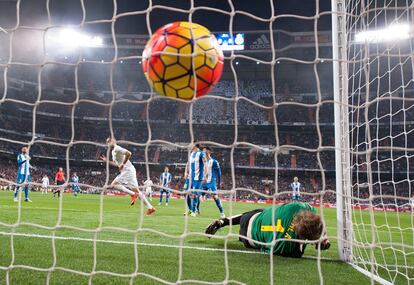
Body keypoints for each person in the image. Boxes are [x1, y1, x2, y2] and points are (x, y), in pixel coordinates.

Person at [205, 202, 330, 258]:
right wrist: (319, 240)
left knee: (263, 212)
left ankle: (223, 221)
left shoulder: (300, 207)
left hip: (250, 218)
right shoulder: (289, 248)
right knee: (262, 240)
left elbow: (317, 219)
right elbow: (264, 249)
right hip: (247, 239)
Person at [99, 137, 155, 215]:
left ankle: (132, 194)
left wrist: (123, 164)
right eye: (106, 142)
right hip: (129, 171)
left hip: (127, 171)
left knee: (114, 184)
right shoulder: (113, 152)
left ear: (113, 141)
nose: (107, 143)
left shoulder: (117, 148)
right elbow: (116, 164)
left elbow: (129, 153)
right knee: (137, 192)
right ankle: (150, 208)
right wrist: (106, 160)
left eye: (108, 141)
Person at [184, 143, 207, 217]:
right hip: (190, 177)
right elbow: (187, 164)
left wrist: (204, 176)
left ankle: (194, 211)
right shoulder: (191, 154)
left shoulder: (201, 153)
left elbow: (205, 164)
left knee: (194, 194)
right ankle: (190, 210)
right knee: (186, 193)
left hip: (198, 178)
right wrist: (185, 172)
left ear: (195, 146)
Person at [202, 147, 225, 218]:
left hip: (211, 182)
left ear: (208, 152)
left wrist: (219, 181)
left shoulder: (214, 162)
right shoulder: (202, 161)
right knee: (195, 195)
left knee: (215, 197)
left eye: (204, 151)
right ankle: (194, 211)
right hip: (203, 182)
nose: (203, 152)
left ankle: (222, 212)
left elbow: (219, 172)